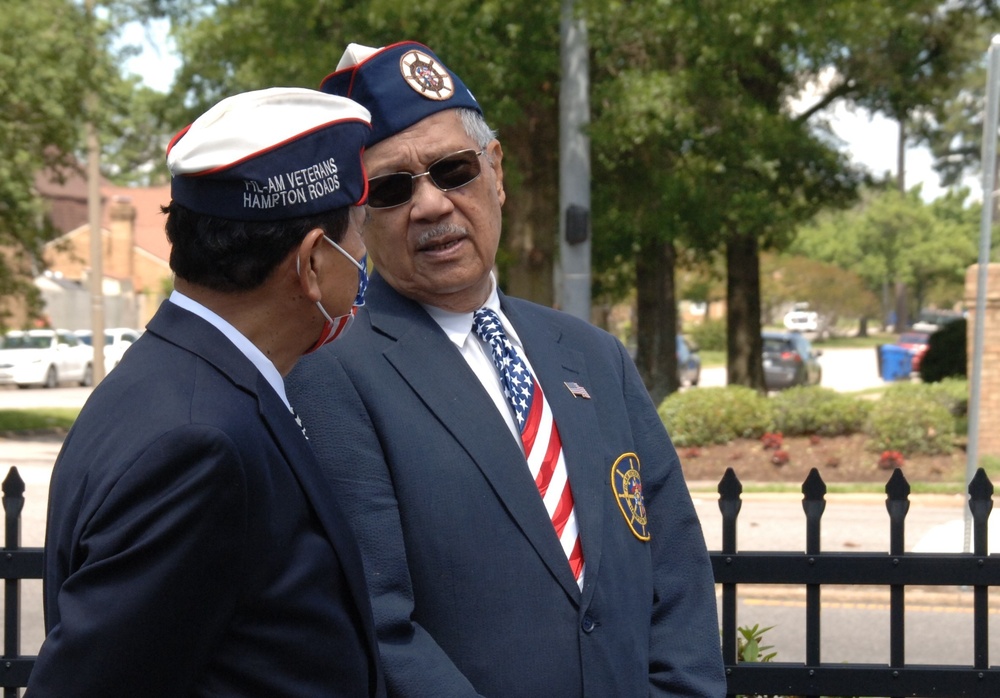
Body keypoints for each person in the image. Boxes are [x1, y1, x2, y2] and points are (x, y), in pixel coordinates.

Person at [286, 41, 726, 697]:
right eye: (394, 188)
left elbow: (676, 571)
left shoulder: (594, 356)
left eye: (453, 170)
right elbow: (380, 628)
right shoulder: (334, 376)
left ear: (496, 172)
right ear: (359, 214)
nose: (431, 205)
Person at [28, 87, 385, 697]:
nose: (361, 263)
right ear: (309, 265)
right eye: (356, 240)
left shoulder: (169, 381)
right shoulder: (200, 445)